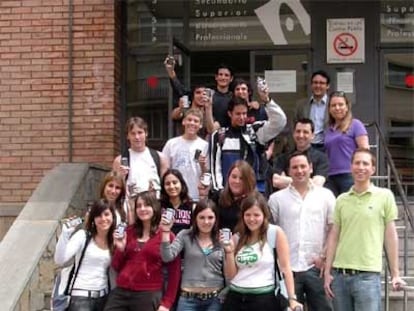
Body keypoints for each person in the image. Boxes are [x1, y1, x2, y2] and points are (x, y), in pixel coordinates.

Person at [324, 148, 406, 311]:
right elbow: (334, 236)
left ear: (373, 169)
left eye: (365, 163)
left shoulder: (385, 196)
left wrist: (395, 273)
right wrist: (327, 272)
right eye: (357, 163)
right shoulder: (341, 199)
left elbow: (390, 236)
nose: (360, 167)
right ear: (351, 166)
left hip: (367, 276)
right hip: (340, 276)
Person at [268, 151, 335, 310]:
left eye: (303, 166)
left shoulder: (326, 196)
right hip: (288, 270)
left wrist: (324, 256)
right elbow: (271, 233)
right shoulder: (276, 199)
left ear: (311, 168)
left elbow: (333, 229)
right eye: (295, 167)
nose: (299, 171)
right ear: (289, 171)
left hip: (316, 268)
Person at [220, 191, 302, 311]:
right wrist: (229, 252)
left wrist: (292, 298)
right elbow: (231, 275)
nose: (252, 219)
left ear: (264, 215)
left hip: (263, 298)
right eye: (247, 215)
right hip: (235, 297)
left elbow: (286, 268)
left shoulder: (275, 233)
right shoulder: (237, 237)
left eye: (256, 215)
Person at [104, 191, 181, 311]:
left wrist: (167, 303)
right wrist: (120, 249)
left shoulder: (167, 235)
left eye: (146, 205)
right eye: (139, 206)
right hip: (121, 291)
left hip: (148, 294)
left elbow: (174, 272)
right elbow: (116, 266)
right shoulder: (128, 232)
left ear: (155, 207)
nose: (142, 209)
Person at [210, 88, 287, 195]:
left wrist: (267, 101)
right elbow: (215, 167)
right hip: (228, 195)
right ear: (229, 113)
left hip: (254, 193)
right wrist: (219, 192)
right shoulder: (219, 135)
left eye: (244, 114)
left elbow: (280, 122)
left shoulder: (254, 131)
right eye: (238, 114)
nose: (242, 117)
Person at [160, 199, 226, 311]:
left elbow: (228, 271)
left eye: (210, 217)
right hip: (188, 300)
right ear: (195, 218)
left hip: (215, 300)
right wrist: (165, 232)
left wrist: (226, 292)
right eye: (201, 217)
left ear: (216, 219)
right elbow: (167, 257)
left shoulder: (222, 239)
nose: (206, 222)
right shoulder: (185, 235)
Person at [54, 199, 116, 311]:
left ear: (113, 217)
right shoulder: (83, 236)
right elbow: (60, 260)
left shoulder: (114, 241)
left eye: (107, 214)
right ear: (93, 219)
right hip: (81, 297)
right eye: (98, 215)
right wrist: (65, 234)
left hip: (104, 297)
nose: (103, 219)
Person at [165, 57, 233, 131]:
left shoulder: (231, 98)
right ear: (216, 77)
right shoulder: (209, 93)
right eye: (220, 74)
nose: (223, 77)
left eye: (226, 75)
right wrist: (171, 72)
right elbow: (180, 90)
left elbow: (213, 128)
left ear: (231, 78)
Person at [324, 91, 369, 196]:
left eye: (340, 104)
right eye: (333, 105)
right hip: (330, 177)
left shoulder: (355, 124)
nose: (337, 108)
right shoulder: (329, 129)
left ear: (347, 107)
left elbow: (365, 151)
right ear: (329, 109)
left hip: (349, 175)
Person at [113, 116, 169, 196]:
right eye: (133, 133)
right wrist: (121, 177)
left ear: (146, 133)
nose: (137, 137)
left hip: (155, 204)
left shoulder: (160, 157)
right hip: (131, 205)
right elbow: (115, 188)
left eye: (140, 132)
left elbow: (166, 185)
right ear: (127, 136)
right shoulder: (120, 160)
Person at [162, 109, 209, 202]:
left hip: (195, 194)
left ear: (200, 125)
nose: (192, 123)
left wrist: (202, 165)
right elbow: (164, 169)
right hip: (175, 195)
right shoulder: (171, 143)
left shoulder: (204, 145)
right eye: (189, 120)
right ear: (183, 121)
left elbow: (207, 174)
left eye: (196, 121)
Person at [272, 118, 329, 191]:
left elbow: (317, 185)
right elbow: (277, 181)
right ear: (293, 134)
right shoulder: (282, 158)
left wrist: (287, 180)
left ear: (312, 136)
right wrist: (308, 181)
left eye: (305, 132)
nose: (301, 135)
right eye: (298, 131)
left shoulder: (322, 158)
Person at [211, 160, 257, 231]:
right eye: (234, 177)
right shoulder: (217, 197)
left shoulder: (256, 201)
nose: (237, 181)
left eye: (241, 178)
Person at [295, 70, 330, 151]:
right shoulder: (301, 105)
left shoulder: (333, 104)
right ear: (311, 85)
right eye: (315, 82)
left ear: (327, 86)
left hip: (326, 147)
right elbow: (295, 124)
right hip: (306, 146)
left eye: (322, 83)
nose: (318, 85)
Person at [160, 169, 193, 235]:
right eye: (167, 184)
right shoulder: (159, 206)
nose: (171, 186)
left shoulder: (191, 206)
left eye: (175, 182)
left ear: (181, 184)